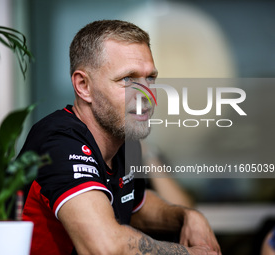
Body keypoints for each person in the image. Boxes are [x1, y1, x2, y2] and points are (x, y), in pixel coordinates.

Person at [20, 19, 221, 255]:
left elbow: (135, 205)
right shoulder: (60, 142)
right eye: (127, 79)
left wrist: (185, 216)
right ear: (83, 85)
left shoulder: (125, 139)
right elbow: (104, 247)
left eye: (150, 78)